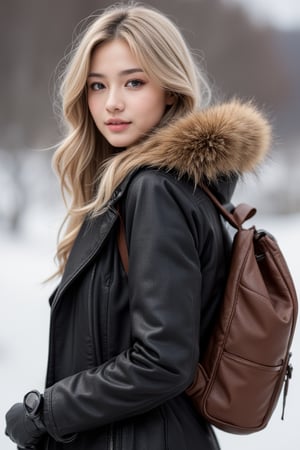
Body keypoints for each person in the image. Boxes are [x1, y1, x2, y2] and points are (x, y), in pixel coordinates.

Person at [5, 3, 271, 450]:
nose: (112, 102)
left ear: (169, 90)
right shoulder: (170, 189)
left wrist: (45, 411)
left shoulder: (153, 192)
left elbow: (164, 361)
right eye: (97, 85)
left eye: (134, 82)